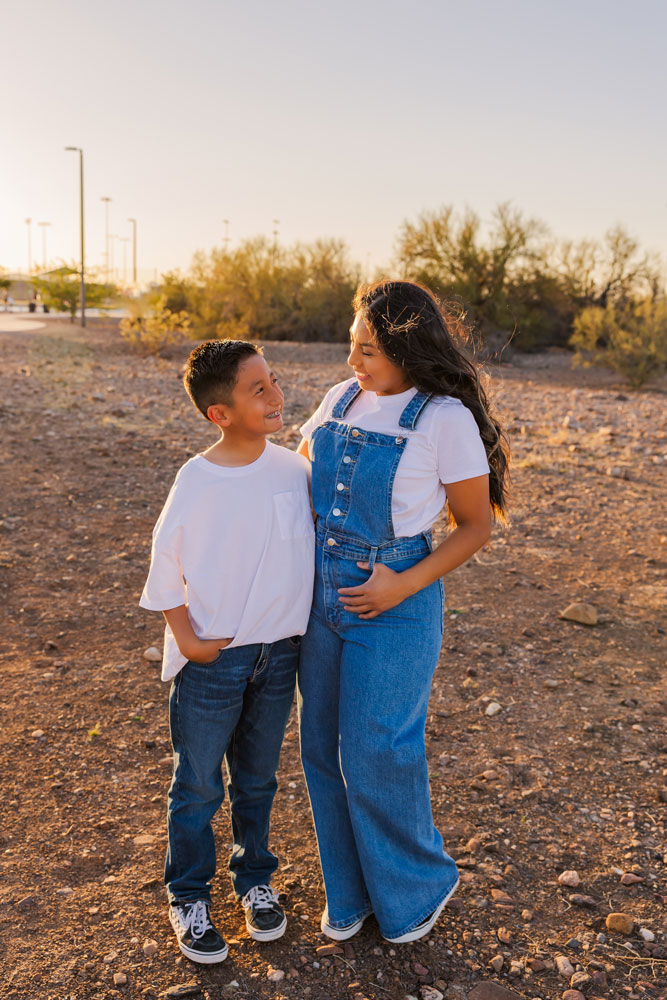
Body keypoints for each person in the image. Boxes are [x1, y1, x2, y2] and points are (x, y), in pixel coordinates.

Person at [297, 280, 509, 945]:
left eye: (367, 350)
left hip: (395, 602)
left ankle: (416, 887)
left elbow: (473, 527)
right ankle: (349, 891)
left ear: (406, 347)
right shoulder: (341, 398)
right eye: (350, 347)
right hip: (319, 595)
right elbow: (300, 475)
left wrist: (399, 585)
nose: (354, 364)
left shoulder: (441, 417)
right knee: (319, 748)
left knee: (376, 751)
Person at [140, 339, 315, 964]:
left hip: (280, 657)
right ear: (221, 413)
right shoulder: (198, 478)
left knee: (258, 780)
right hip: (215, 662)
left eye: (273, 381)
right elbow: (165, 561)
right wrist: (187, 640)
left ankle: (254, 881)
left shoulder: (295, 471)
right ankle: (188, 894)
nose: (275, 395)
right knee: (196, 786)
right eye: (257, 389)